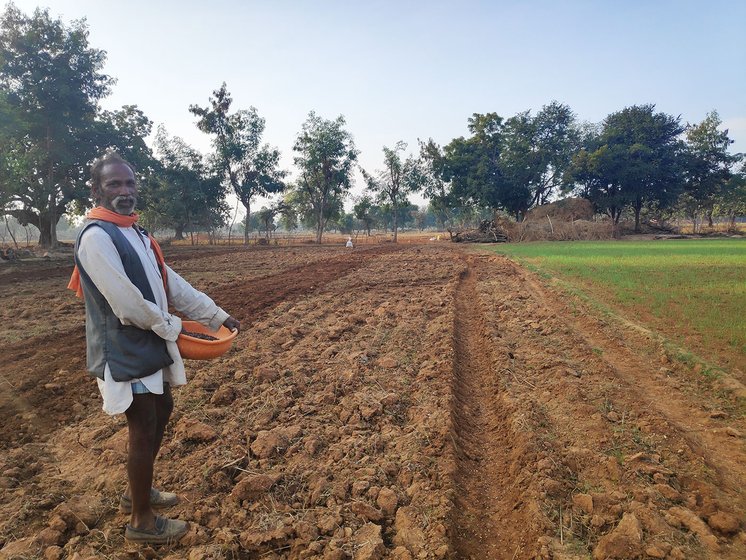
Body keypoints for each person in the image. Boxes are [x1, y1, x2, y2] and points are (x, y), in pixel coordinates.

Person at [68, 152, 240, 544]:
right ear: (97, 190)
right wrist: (173, 327)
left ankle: (137, 493)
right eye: (115, 184)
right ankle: (142, 522)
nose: (125, 191)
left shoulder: (136, 233)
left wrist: (217, 316)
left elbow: (170, 283)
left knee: (162, 408)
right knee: (143, 426)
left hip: (148, 341)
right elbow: (126, 304)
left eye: (129, 183)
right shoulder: (97, 237)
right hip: (125, 347)